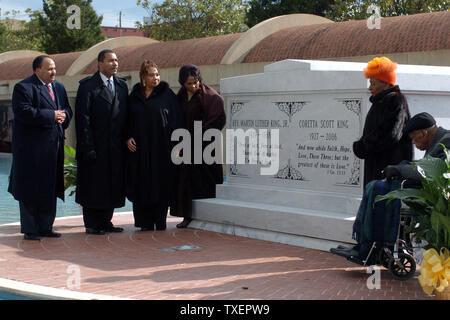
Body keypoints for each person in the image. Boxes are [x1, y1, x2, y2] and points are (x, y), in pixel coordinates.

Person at [331, 112, 450, 259]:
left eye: (414, 138)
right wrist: (401, 166)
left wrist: (399, 169)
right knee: (375, 186)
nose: (413, 143)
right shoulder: (437, 141)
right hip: (429, 193)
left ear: (424, 132)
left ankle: (372, 247)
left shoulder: (446, 141)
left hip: (439, 200)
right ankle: (365, 244)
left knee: (379, 189)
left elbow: (430, 172)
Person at [8, 55, 72, 240]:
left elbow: (67, 109)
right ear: (37, 70)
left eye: (54, 68)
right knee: (30, 189)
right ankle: (30, 229)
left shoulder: (58, 87)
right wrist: (51, 115)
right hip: (31, 150)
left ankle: (46, 226)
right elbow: (23, 112)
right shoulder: (24, 87)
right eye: (49, 68)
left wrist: (64, 116)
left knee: (49, 188)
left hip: (53, 149)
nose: (53, 72)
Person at [75, 50, 128, 235]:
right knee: (94, 185)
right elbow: (83, 120)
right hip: (95, 146)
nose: (115, 64)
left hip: (115, 147)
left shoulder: (121, 85)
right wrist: (87, 147)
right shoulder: (88, 86)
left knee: (111, 185)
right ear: (99, 63)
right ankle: (92, 224)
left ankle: (106, 221)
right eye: (110, 61)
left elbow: (125, 116)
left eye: (116, 60)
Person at [126, 60, 181, 231]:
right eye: (151, 74)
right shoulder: (134, 97)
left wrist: (178, 146)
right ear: (143, 77)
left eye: (157, 74)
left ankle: (160, 220)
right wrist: (128, 137)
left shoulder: (168, 95)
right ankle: (144, 222)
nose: (155, 77)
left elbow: (177, 120)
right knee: (141, 183)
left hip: (162, 149)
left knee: (161, 183)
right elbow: (126, 120)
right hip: (140, 150)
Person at [170, 64, 226, 228]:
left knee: (205, 182)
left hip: (205, 148)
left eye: (196, 82)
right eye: (189, 83)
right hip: (185, 147)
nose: (193, 86)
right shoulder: (180, 97)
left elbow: (217, 121)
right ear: (182, 83)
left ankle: (209, 216)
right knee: (186, 183)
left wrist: (196, 138)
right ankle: (187, 216)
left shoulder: (211, 97)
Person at [353, 57, 413, 188]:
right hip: (377, 165)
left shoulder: (395, 101)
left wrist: (364, 146)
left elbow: (391, 135)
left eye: (373, 83)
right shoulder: (380, 102)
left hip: (388, 168)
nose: (370, 88)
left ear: (385, 83)